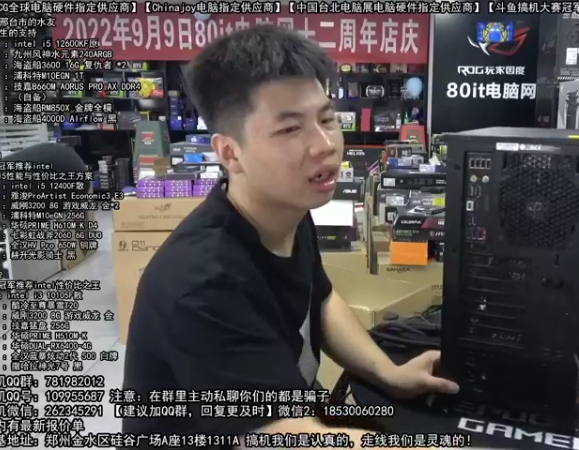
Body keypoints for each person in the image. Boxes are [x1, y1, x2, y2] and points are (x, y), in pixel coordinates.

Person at [121, 25, 459, 449]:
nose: (325, 145)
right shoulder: (203, 283)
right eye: (289, 129)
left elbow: (319, 298)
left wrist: (388, 373)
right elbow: (288, 437)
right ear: (229, 152)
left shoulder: (287, 210)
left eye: (327, 119)